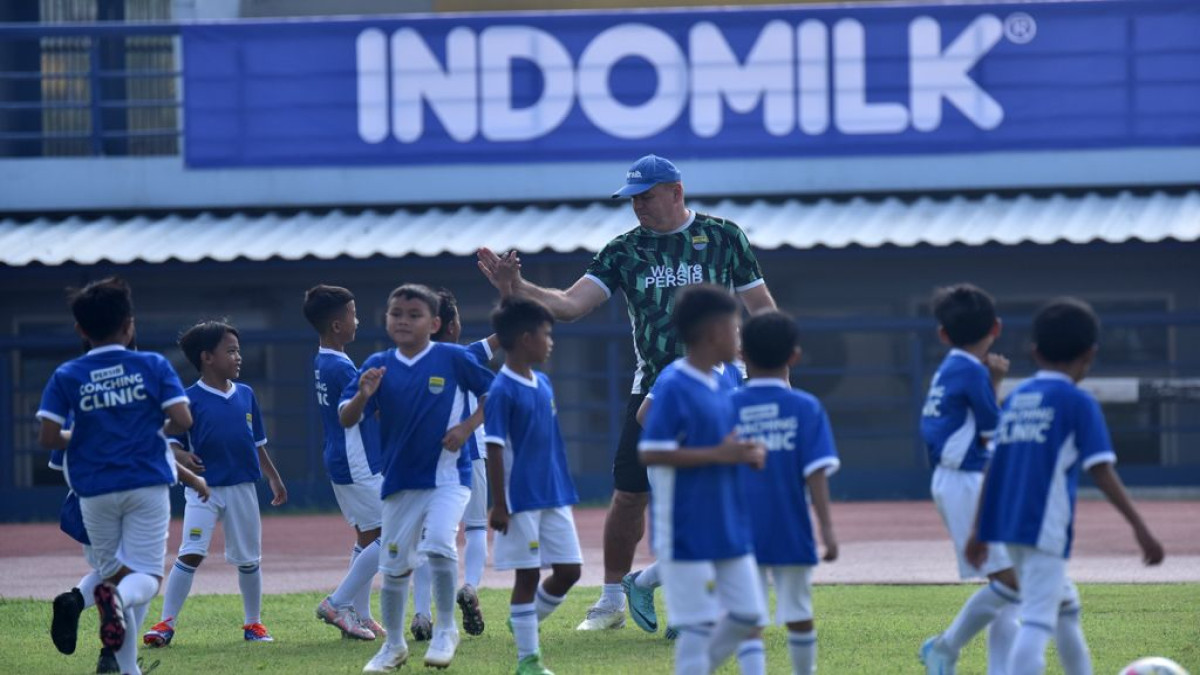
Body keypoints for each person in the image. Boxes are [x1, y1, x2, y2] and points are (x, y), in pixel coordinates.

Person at [478, 154, 777, 631]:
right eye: (633, 198)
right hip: (655, 387)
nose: (638, 206)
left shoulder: (724, 236)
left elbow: (761, 309)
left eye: (647, 196)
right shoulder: (624, 250)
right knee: (630, 495)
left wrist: (774, 378)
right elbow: (571, 306)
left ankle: (689, 597)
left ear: (676, 192)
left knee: (730, 491)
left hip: (724, 385)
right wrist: (517, 287)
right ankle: (614, 596)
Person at [966, 298, 1166, 675]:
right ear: (1090, 355)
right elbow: (1102, 472)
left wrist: (979, 528)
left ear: (1034, 351)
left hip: (1010, 528)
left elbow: (994, 466)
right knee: (1039, 623)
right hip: (1044, 531)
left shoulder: (1017, 399)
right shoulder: (1078, 403)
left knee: (1066, 611)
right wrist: (1142, 530)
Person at [35, 277, 193, 675]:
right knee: (146, 577)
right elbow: (182, 419)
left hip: (94, 490)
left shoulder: (67, 374)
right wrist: (143, 426)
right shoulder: (153, 364)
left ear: (80, 330)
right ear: (129, 325)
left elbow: (49, 437)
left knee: (112, 574)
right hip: (145, 482)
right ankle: (116, 604)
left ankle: (127, 668)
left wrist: (89, 430)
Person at [340, 284, 495, 672]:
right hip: (398, 483)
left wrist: (466, 428)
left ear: (435, 322)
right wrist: (363, 394)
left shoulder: (454, 357)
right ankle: (393, 645)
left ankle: (445, 630)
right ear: (386, 319)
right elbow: (346, 417)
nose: (403, 321)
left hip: (448, 476)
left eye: (414, 314)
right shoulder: (378, 364)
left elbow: (495, 396)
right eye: (397, 314)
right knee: (394, 568)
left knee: (442, 542)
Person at [637, 284, 767, 675]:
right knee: (697, 630)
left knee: (750, 615)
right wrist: (718, 455)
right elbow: (651, 451)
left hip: (729, 522)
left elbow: (723, 445)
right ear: (714, 332)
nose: (740, 337)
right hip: (689, 528)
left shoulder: (723, 381)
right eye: (736, 328)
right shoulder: (675, 383)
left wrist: (745, 455)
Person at [144, 321, 287, 647]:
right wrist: (180, 455)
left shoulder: (247, 395)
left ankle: (254, 625)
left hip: (243, 489)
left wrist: (273, 477)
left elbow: (257, 443)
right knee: (191, 552)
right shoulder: (188, 399)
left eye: (238, 351)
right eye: (231, 351)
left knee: (249, 559)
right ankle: (166, 624)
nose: (238, 357)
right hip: (203, 491)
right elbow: (168, 442)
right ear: (207, 357)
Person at [50, 414, 211, 674]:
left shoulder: (77, 396)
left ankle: (75, 600)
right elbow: (169, 437)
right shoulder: (141, 394)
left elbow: (59, 461)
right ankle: (113, 658)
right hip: (137, 496)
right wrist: (193, 479)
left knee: (111, 572)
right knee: (139, 576)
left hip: (88, 499)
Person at [918, 284, 1020, 675]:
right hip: (967, 480)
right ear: (996, 327)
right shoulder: (971, 371)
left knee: (1010, 586)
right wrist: (995, 382)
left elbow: (974, 422)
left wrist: (989, 381)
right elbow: (993, 429)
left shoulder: (950, 368)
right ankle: (944, 647)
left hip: (958, 478)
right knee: (1011, 584)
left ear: (943, 334)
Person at [731, 311, 839, 675]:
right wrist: (827, 528)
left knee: (749, 618)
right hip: (792, 527)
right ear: (794, 355)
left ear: (741, 353)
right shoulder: (805, 407)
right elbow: (817, 474)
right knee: (799, 612)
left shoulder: (726, 406)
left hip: (739, 531)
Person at [484, 297, 583, 675]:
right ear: (526, 339)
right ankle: (528, 660)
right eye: (547, 335)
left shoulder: (543, 381)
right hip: (520, 498)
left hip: (555, 492)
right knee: (527, 575)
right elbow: (494, 450)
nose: (551, 342)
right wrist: (499, 504)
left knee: (570, 570)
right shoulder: (501, 391)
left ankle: (523, 621)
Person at [407, 288, 499, 641]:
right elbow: (505, 334)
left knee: (430, 538)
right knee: (475, 529)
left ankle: (420, 613)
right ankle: (470, 587)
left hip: (428, 458)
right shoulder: (468, 354)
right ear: (449, 325)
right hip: (470, 451)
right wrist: (509, 291)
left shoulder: (412, 360)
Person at [304, 285, 386, 641]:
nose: (358, 320)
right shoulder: (341, 367)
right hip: (357, 462)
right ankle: (337, 602)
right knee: (399, 532)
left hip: (341, 459)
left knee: (368, 536)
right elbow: (363, 411)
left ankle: (359, 614)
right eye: (353, 314)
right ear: (338, 325)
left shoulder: (323, 359)